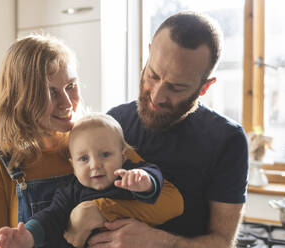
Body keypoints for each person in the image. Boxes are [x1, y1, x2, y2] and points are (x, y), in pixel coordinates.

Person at [0, 35, 183, 248]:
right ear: (22, 98)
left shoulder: (99, 141)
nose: (66, 103)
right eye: (50, 92)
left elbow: (173, 202)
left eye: (71, 85)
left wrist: (96, 211)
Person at [84, 11, 249, 248]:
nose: (157, 96)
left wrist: (159, 241)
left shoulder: (227, 140)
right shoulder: (114, 122)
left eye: (176, 87)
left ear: (204, 87)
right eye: (153, 75)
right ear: (149, 53)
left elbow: (222, 242)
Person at [0, 113, 183, 248]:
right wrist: (28, 236)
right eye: (84, 159)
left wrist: (145, 181)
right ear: (72, 165)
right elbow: (51, 217)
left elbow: (153, 174)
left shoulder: (127, 177)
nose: (95, 165)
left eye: (105, 154)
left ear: (123, 156)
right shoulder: (71, 191)